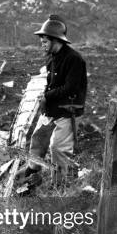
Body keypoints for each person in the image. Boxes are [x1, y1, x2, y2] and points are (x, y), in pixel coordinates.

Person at [18, 14, 87, 187]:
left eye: (44, 40)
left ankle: (62, 186)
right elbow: (50, 82)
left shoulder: (74, 59)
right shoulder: (52, 58)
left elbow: (70, 87)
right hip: (51, 109)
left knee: (58, 149)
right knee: (38, 140)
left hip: (67, 110)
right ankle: (32, 173)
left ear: (56, 40)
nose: (41, 43)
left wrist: (46, 96)